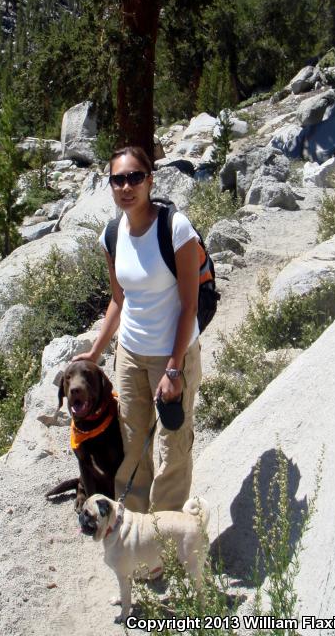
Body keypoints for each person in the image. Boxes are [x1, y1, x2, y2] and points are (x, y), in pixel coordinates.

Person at [73, 145, 202, 513]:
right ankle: (132, 523)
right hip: (129, 354)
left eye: (135, 177)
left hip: (171, 353)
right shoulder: (113, 234)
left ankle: (166, 531)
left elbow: (189, 306)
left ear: (150, 180)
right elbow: (119, 299)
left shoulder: (175, 228)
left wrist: (174, 368)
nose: (126, 186)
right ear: (110, 185)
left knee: (173, 444)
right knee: (132, 440)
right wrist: (96, 352)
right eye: (118, 179)